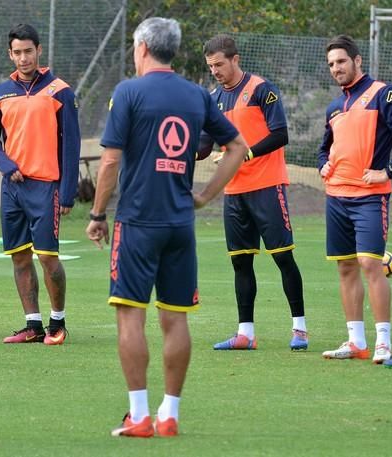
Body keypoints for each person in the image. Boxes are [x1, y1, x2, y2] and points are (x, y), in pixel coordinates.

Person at [86, 17, 247, 437]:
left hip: (138, 222)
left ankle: (139, 416)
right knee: (175, 320)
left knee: (130, 317)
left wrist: (97, 214)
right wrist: (206, 195)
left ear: (141, 47)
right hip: (179, 223)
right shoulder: (197, 94)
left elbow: (109, 161)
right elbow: (238, 146)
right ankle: (169, 414)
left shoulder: (129, 92)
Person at [201, 34, 308, 351]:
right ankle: (245, 334)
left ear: (236, 59)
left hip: (267, 186)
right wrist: (181, 153)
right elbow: (205, 146)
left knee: (283, 258)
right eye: (211, 67)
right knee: (240, 263)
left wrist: (243, 154)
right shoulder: (213, 99)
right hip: (233, 191)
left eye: (219, 64)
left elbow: (281, 134)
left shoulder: (262, 89)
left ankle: (300, 329)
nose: (216, 71)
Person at [0, 23, 80, 345]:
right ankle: (33, 325)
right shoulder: (0, 93)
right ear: (9, 54)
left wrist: (67, 192)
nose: (23, 58)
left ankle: (57, 323)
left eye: (29, 51)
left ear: (39, 51)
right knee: (19, 256)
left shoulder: (60, 91)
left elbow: (71, 144)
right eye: (17, 52)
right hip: (13, 188)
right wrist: (5, 165)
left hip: (47, 187)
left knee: (47, 257)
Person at [318, 35, 392, 364]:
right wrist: (322, 163)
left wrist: (390, 171)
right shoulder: (333, 107)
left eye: (341, 61)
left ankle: (383, 341)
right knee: (345, 267)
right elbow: (324, 148)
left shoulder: (384, 94)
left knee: (371, 264)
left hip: (370, 197)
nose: (336, 68)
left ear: (357, 61)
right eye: (330, 64)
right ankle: (356, 341)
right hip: (336, 197)